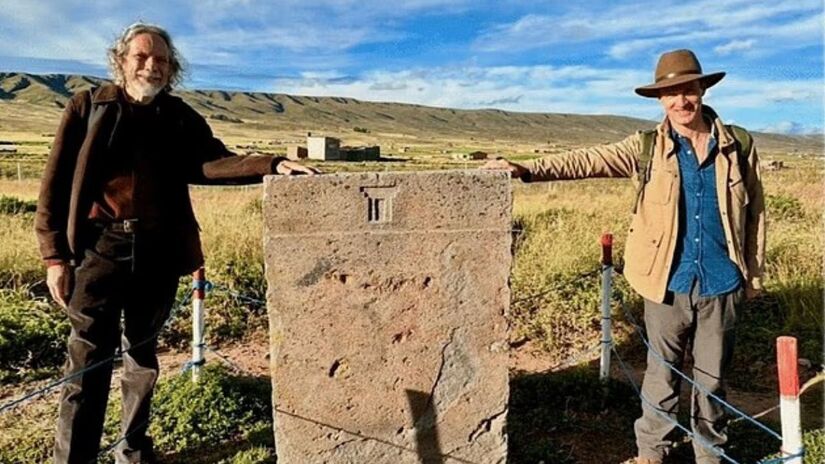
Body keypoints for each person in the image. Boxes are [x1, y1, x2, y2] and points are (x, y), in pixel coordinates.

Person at [34, 22, 318, 464]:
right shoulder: (87, 106)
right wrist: (55, 256)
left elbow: (212, 161)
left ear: (172, 68)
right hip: (98, 251)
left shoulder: (178, 116)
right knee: (86, 362)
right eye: (142, 57)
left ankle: (133, 451)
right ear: (121, 60)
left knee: (142, 358)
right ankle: (74, 459)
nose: (152, 66)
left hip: (157, 252)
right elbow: (53, 186)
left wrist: (272, 163)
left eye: (162, 60)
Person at [484, 49, 765, 464]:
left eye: (687, 89)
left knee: (712, 381)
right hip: (665, 280)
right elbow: (587, 160)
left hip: (722, 282)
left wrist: (753, 277)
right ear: (659, 100)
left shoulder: (737, 144)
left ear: (702, 89)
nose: (680, 101)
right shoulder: (647, 146)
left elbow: (756, 212)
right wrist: (527, 169)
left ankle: (710, 454)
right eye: (670, 94)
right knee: (661, 375)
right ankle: (653, 453)